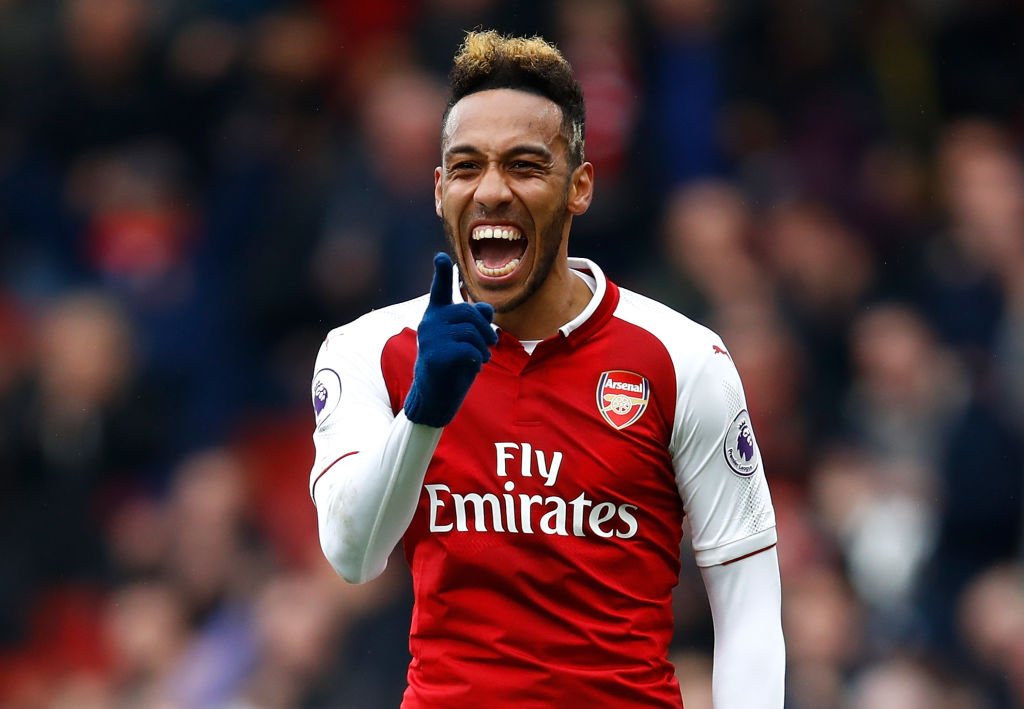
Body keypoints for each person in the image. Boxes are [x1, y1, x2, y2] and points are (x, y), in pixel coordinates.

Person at [309, 30, 785, 708]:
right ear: (440, 189)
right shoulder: (368, 350)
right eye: (467, 167)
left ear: (579, 187)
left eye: (525, 166)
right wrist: (424, 412)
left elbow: (749, 607)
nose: (492, 190)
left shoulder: (683, 359)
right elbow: (353, 556)